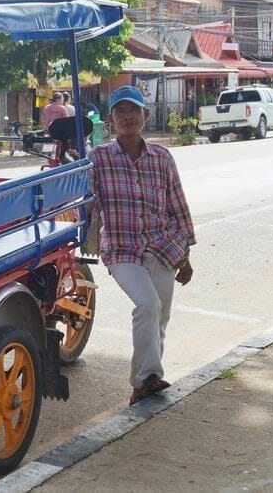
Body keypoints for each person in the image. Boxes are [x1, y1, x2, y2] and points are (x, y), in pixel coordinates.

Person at [88, 85, 196, 405]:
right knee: (148, 304)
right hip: (122, 249)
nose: (128, 117)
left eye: (133, 110)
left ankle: (143, 385)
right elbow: (86, 201)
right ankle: (147, 377)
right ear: (111, 119)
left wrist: (185, 255)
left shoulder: (162, 157)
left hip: (163, 245)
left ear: (145, 115)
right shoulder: (99, 159)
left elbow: (177, 205)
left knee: (159, 316)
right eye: (120, 112)